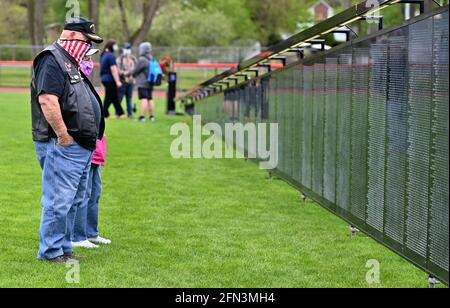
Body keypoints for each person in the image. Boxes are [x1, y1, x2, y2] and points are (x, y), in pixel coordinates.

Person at [31, 16, 105, 263]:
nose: (89, 47)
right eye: (87, 40)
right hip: (62, 143)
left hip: (79, 144)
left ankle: (63, 247)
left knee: (72, 200)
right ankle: (50, 252)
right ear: (72, 36)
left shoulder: (69, 60)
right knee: (58, 200)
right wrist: (63, 135)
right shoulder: (52, 59)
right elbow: (47, 100)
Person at [127, 42, 155, 122]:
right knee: (150, 98)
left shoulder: (142, 59)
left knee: (144, 98)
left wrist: (128, 74)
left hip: (143, 83)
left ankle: (142, 117)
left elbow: (135, 70)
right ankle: (152, 117)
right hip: (150, 82)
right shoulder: (151, 58)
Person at [100, 40, 125, 119]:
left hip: (104, 79)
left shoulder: (104, 55)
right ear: (111, 46)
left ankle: (121, 113)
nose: (116, 47)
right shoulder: (111, 56)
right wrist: (117, 81)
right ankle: (104, 114)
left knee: (114, 97)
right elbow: (113, 69)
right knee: (109, 97)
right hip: (110, 79)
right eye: (115, 45)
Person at [117, 43, 137, 118]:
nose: (127, 50)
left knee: (129, 98)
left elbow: (136, 68)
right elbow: (117, 69)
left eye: (128, 49)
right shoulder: (120, 59)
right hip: (122, 81)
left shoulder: (133, 58)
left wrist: (133, 76)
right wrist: (123, 73)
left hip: (130, 81)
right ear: (123, 49)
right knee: (120, 98)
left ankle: (130, 114)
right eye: (126, 49)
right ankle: (118, 113)